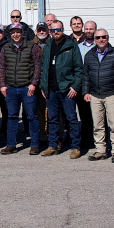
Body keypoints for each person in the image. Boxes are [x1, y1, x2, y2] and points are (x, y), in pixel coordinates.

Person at [81, 28, 114, 162]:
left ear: (108, 38)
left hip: (112, 94)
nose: (101, 40)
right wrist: (86, 91)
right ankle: (100, 150)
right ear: (94, 40)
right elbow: (86, 75)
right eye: (98, 37)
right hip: (95, 95)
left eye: (104, 37)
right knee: (98, 125)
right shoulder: (90, 55)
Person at [38, 21, 83, 158]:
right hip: (51, 90)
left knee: (71, 118)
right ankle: (52, 145)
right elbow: (43, 68)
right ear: (50, 31)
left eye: (58, 29)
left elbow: (79, 69)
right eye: (53, 30)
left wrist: (75, 86)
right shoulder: (48, 47)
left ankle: (75, 147)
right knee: (52, 119)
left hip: (66, 89)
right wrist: (43, 86)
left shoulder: (71, 46)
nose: (56, 32)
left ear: (62, 29)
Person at [0, 22, 41, 154]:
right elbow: (2, 68)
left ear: (22, 33)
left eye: (18, 32)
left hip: (27, 88)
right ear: (10, 34)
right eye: (13, 32)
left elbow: (37, 66)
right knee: (12, 117)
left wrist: (33, 84)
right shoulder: (5, 48)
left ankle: (34, 144)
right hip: (10, 88)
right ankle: (11, 145)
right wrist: (2, 85)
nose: (16, 35)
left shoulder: (32, 47)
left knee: (32, 116)